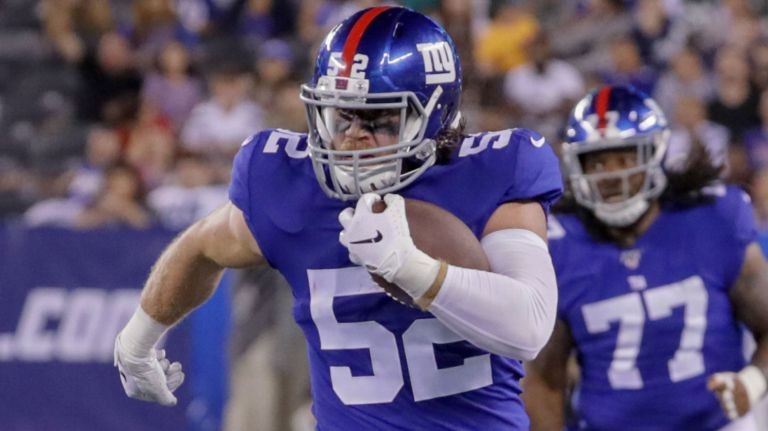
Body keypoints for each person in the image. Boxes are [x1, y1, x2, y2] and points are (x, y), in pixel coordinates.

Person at [113, 6, 563, 429]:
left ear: (435, 116)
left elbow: (528, 326)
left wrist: (412, 268)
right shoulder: (291, 182)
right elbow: (200, 247)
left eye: (378, 120)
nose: (352, 138)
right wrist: (138, 338)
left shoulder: (495, 172)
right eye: (341, 116)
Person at [523, 85, 768, 431]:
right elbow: (545, 381)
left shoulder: (714, 217)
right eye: (597, 161)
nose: (612, 175)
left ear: (655, 154)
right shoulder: (559, 243)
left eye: (624, 158)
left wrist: (753, 383)